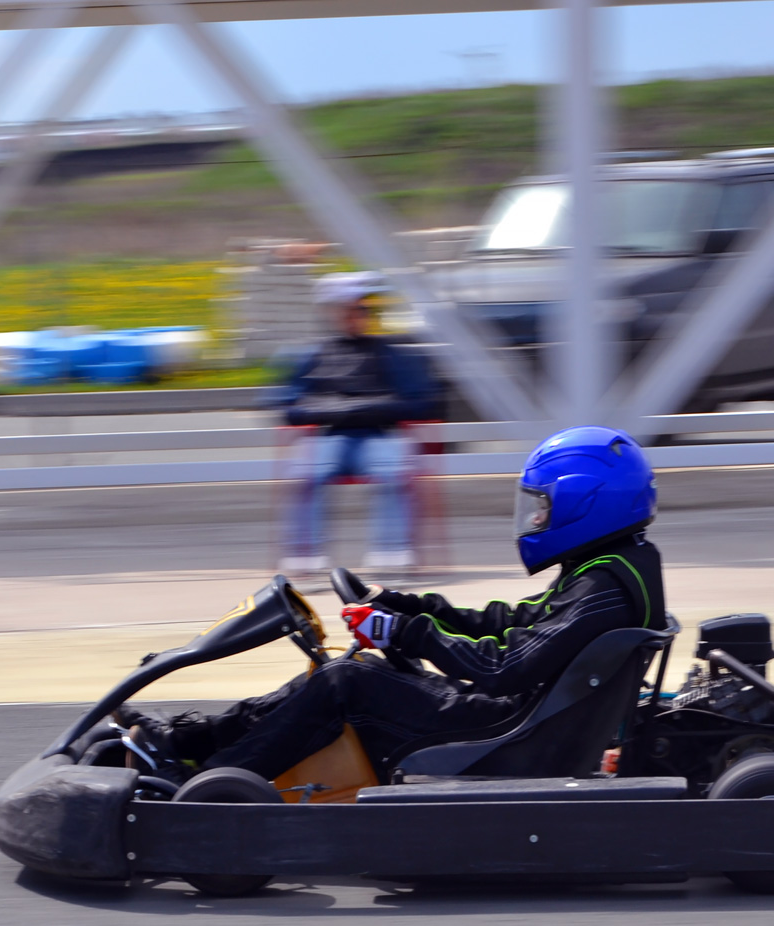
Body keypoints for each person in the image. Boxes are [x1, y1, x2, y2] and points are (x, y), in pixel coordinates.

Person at [120, 425, 667, 784]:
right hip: (522, 716)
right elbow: (509, 625)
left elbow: (504, 666)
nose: (535, 518)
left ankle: (204, 783)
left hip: (510, 733)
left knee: (347, 682)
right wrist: (401, 605)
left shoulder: (603, 589)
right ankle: (190, 740)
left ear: (584, 504)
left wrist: (402, 632)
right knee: (348, 670)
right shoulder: (608, 570)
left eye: (543, 507)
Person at [277, 271, 439, 575]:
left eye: (361, 310)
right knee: (306, 474)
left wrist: (356, 409)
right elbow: (289, 406)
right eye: (347, 310)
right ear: (332, 314)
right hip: (329, 435)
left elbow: (422, 402)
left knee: (394, 472)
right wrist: (347, 410)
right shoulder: (312, 356)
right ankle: (306, 553)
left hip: (379, 434)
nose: (355, 317)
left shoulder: (392, 355)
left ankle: (392, 551)